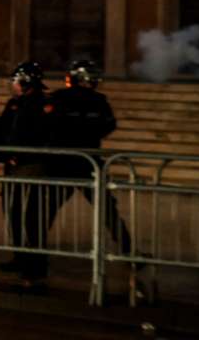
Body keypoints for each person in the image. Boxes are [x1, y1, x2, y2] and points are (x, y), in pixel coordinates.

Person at [44, 61, 133, 258]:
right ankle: (127, 250)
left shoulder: (58, 98)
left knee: (47, 209)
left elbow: (47, 124)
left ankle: (33, 252)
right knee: (107, 210)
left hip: (64, 162)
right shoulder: (99, 100)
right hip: (88, 161)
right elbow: (108, 125)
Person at [0, 61, 56, 283]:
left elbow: (43, 135)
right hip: (13, 166)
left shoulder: (43, 104)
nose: (13, 85)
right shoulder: (15, 103)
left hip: (33, 165)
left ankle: (36, 263)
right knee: (13, 212)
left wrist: (21, 153)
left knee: (33, 216)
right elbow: (3, 129)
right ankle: (20, 256)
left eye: (16, 81)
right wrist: (6, 153)